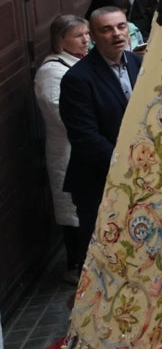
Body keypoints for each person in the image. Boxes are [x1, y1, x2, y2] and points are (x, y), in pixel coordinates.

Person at [58, 7, 143, 251]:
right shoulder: (78, 78)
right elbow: (85, 137)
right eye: (106, 29)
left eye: (121, 26)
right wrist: (125, 164)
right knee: (101, 251)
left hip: (140, 175)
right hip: (98, 180)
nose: (117, 34)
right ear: (93, 36)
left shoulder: (140, 65)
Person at [34, 14, 91, 280]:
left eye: (87, 33)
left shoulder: (79, 62)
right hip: (68, 148)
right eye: (79, 35)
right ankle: (75, 266)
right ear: (61, 40)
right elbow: (61, 111)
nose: (86, 39)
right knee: (72, 210)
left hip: (84, 146)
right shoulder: (52, 70)